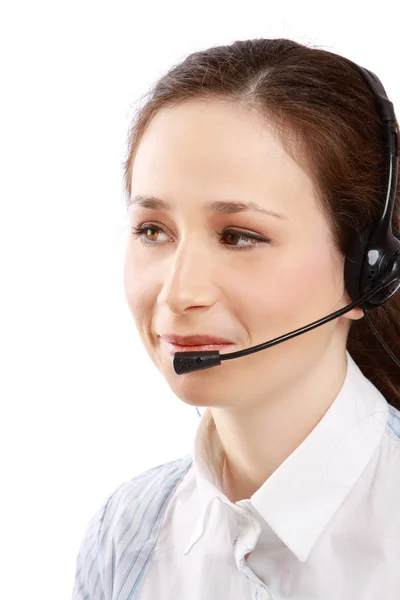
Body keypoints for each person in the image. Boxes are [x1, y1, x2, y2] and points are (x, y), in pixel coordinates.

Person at [72, 38, 400, 599]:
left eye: (239, 236)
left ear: (368, 269)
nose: (178, 293)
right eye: (153, 230)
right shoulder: (124, 537)